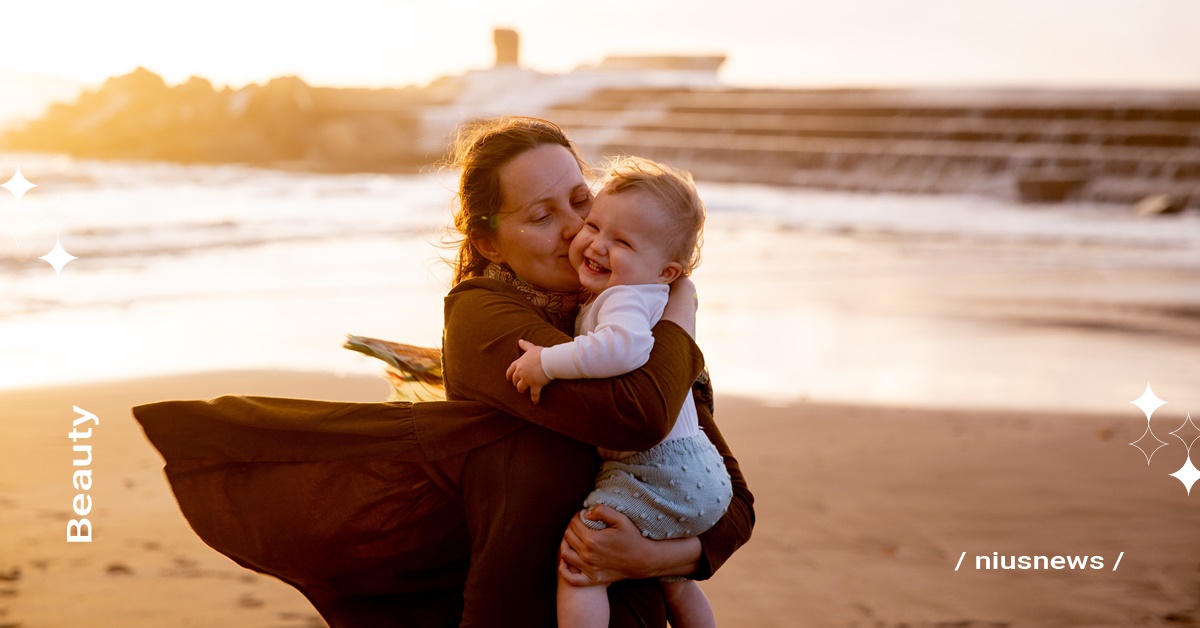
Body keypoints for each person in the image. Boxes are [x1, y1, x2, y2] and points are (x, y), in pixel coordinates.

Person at [132, 116, 754, 627]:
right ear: (489, 243)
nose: (574, 231)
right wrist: (683, 310)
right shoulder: (486, 320)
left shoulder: (615, 319)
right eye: (541, 216)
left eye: (580, 201)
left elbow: (731, 502)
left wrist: (651, 557)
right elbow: (638, 414)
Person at [506, 156, 727, 628]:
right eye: (595, 225)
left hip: (660, 471)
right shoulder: (649, 297)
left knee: (581, 564)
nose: (595, 244)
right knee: (676, 586)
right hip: (698, 472)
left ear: (668, 271)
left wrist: (547, 362)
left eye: (622, 241)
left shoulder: (625, 299)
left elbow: (621, 349)